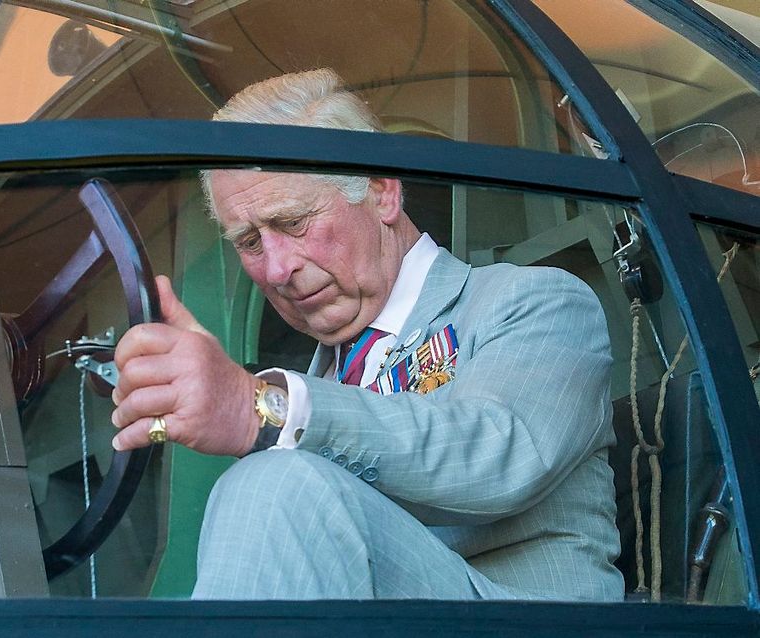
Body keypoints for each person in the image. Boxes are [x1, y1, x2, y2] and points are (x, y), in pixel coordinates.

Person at [110, 68, 623, 601]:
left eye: (292, 223)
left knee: (272, 487)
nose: (277, 269)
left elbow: (501, 455)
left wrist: (261, 410)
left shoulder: (535, 302)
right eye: (248, 241)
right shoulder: (318, 378)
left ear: (381, 192)